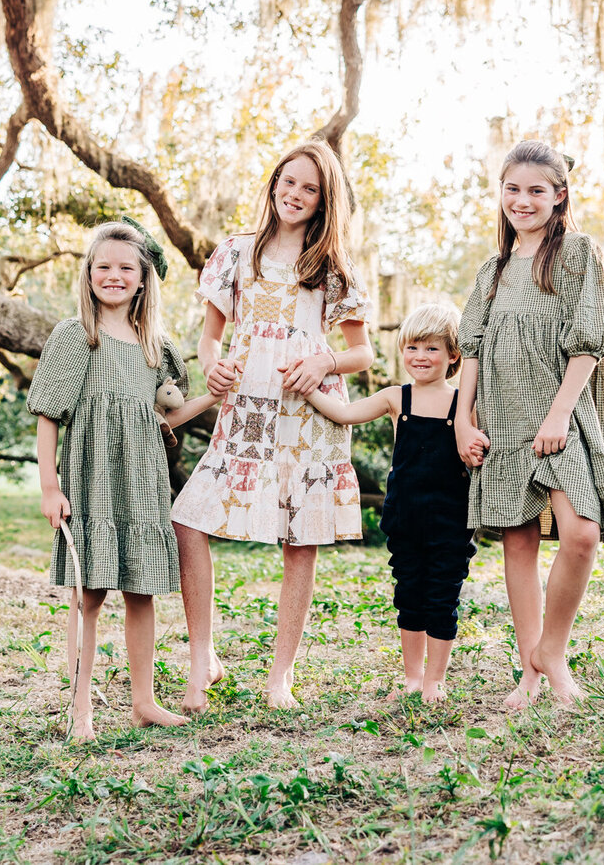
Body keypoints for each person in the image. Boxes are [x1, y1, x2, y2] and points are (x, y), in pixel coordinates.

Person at [170, 139, 373, 712]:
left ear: (323, 200)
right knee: (189, 520)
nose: (295, 194)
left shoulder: (331, 268)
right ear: (274, 184)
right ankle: (203, 655)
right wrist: (214, 365)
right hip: (248, 411)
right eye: (289, 182)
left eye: (309, 188)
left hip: (310, 414)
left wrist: (323, 360)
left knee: (300, 541)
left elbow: (361, 354)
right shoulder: (235, 254)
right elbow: (210, 339)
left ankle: (280, 675)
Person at [454, 141, 604, 710]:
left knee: (581, 534)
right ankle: (530, 674)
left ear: (559, 195)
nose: (522, 200)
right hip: (502, 416)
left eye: (536, 190)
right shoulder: (492, 270)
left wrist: (559, 414)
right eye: (513, 189)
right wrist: (463, 421)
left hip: (561, 412)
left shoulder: (582, 254)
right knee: (519, 541)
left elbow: (591, 338)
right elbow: (473, 352)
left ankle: (550, 651)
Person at [28, 219, 220, 739]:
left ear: (143, 279)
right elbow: (48, 415)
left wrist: (214, 397)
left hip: (141, 482)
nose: (114, 275)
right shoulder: (75, 336)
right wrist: (51, 486)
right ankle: (80, 710)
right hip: (91, 479)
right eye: (104, 266)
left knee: (142, 592)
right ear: (89, 273)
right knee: (89, 596)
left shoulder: (155, 346)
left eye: (125, 268)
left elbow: (163, 418)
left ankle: (144, 702)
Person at [302, 303, 476, 704]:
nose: (420, 357)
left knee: (442, 597)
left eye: (432, 349)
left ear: (453, 355)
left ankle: (435, 680)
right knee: (409, 594)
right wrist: (308, 387)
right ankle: (413, 676)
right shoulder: (397, 398)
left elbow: (480, 443)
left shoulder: (464, 404)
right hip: (405, 517)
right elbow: (344, 414)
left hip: (451, 519)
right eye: (412, 347)